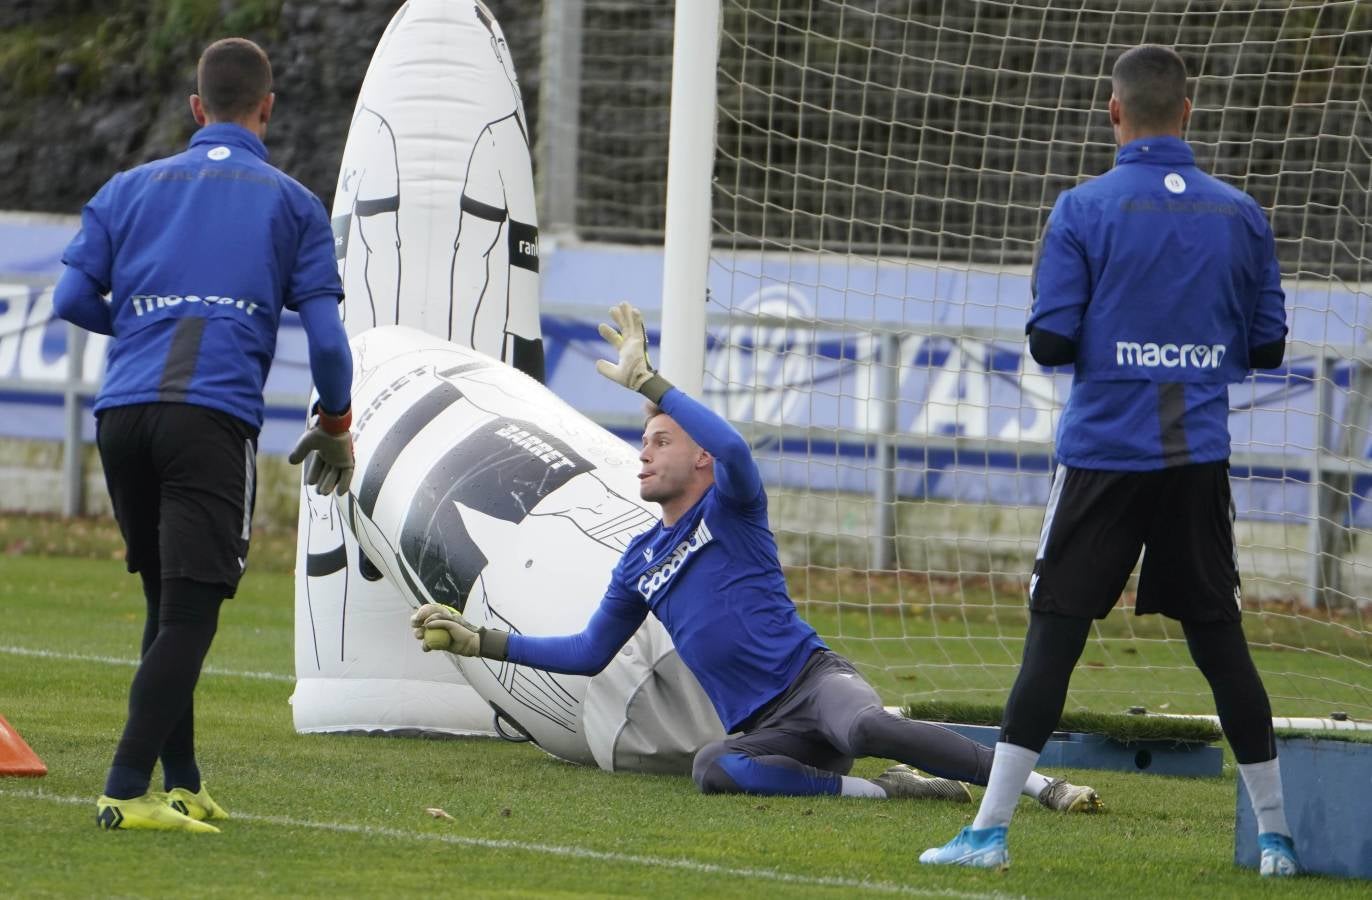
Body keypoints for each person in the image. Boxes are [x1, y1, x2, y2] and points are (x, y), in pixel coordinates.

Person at [410, 302, 1101, 811]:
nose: (643, 452)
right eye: (643, 441)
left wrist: (653, 384)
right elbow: (590, 651)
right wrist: (484, 642)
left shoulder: (731, 507)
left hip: (817, 684)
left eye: (661, 440)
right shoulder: (639, 560)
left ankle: (1041, 784)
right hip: (767, 731)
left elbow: (738, 451)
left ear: (699, 457)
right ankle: (882, 789)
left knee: (864, 724)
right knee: (712, 768)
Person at [919, 45, 1296, 875]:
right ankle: (1277, 839)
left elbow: (1051, 341)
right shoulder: (1241, 214)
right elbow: (1267, 345)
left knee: (1053, 639)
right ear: (1188, 112)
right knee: (1220, 643)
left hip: (1104, 455)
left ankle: (987, 834)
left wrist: (1123, 337)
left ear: (1112, 111)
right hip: (1196, 457)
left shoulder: (1083, 208)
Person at [54, 37, 356, 834]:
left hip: (121, 417)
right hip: (209, 418)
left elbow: (70, 297)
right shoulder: (293, 203)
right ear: (267, 109)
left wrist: (148, 323)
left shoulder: (127, 188)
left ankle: (182, 780)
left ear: (196, 108)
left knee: (165, 601)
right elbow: (327, 341)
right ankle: (124, 789)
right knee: (191, 615)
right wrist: (337, 421)